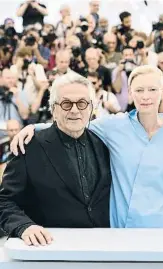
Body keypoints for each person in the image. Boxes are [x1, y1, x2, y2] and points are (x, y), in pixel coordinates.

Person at [11, 65, 163, 230]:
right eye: (139, 90)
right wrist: (35, 127)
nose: (146, 95)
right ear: (131, 94)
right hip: (119, 230)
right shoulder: (113, 126)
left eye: (152, 89)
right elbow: (75, 121)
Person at [0, 73, 112, 246]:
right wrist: (24, 226)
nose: (75, 110)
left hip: (99, 248)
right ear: (53, 108)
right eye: (66, 104)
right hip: (49, 249)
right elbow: (4, 201)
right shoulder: (28, 146)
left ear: (91, 108)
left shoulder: (103, 144)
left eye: (82, 103)